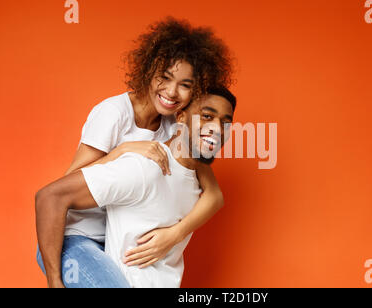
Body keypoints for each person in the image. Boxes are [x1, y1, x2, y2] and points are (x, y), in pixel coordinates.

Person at [36, 17, 234, 288]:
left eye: (185, 85)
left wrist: (174, 234)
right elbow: (62, 187)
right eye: (164, 78)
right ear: (148, 70)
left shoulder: (173, 124)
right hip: (74, 237)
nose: (172, 91)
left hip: (113, 240)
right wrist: (125, 150)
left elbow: (213, 194)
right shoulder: (114, 113)